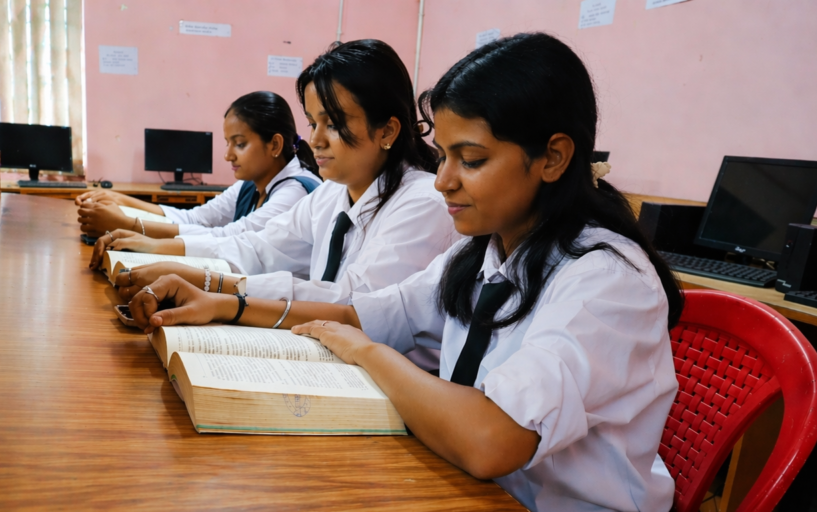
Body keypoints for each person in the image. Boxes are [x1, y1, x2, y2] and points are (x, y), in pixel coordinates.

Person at [126, 33, 684, 511]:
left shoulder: (605, 278)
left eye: (471, 159)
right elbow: (367, 310)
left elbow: (493, 440)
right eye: (442, 155)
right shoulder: (485, 249)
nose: (443, 180)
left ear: (554, 158)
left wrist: (368, 353)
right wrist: (229, 305)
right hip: (463, 482)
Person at [99, 39, 459, 315]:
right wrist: (163, 257)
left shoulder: (422, 202)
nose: (315, 140)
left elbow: (353, 303)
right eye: (312, 122)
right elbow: (259, 248)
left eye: (333, 124)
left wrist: (211, 284)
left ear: (387, 131)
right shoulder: (331, 194)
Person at [75, 91, 320, 239]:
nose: (228, 156)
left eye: (240, 144)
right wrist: (119, 200)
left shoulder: (294, 193)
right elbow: (195, 219)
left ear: (275, 145)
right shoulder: (249, 185)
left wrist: (126, 225)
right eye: (228, 143)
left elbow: (229, 237)